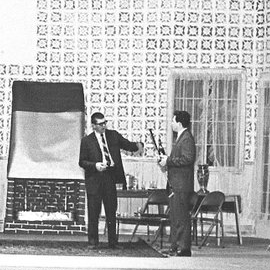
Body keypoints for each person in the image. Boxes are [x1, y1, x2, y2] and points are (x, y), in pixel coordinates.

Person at [78, 112, 142, 248]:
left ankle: (113, 243)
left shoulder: (113, 135)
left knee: (111, 212)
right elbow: (82, 162)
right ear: (93, 126)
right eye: (100, 124)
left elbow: (128, 145)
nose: (104, 126)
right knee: (93, 212)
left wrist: (139, 145)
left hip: (110, 177)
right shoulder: (86, 141)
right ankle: (93, 242)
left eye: (105, 123)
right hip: (94, 179)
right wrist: (95, 165)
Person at [157, 109, 196, 256]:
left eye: (173, 121)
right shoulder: (182, 137)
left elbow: (187, 159)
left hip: (181, 185)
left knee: (181, 218)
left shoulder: (186, 138)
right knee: (175, 217)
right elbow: (180, 159)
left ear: (179, 123)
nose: (171, 123)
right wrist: (167, 160)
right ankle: (175, 246)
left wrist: (169, 160)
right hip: (176, 184)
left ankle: (183, 248)